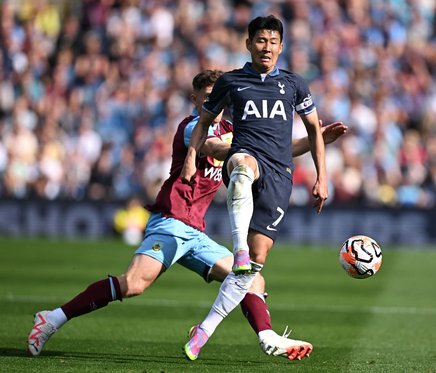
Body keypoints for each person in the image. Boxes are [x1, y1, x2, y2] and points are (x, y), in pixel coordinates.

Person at [27, 69, 346, 360]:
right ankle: (52, 318)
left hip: (195, 232)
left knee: (253, 278)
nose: (213, 101)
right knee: (134, 284)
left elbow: (275, 151)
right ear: (195, 99)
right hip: (170, 221)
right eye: (206, 97)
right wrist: (241, 151)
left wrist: (317, 141)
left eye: (216, 95)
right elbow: (213, 149)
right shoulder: (192, 127)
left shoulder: (233, 129)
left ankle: (267, 336)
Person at [181, 15, 328, 361]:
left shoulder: (295, 85)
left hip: (280, 175)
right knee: (242, 166)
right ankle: (238, 249)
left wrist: (322, 176)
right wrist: (191, 156)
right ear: (248, 44)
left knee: (254, 267)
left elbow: (314, 130)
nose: (267, 47)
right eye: (260, 40)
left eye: (273, 41)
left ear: (281, 46)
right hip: (246, 157)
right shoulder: (231, 82)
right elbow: (204, 123)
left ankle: (203, 331)